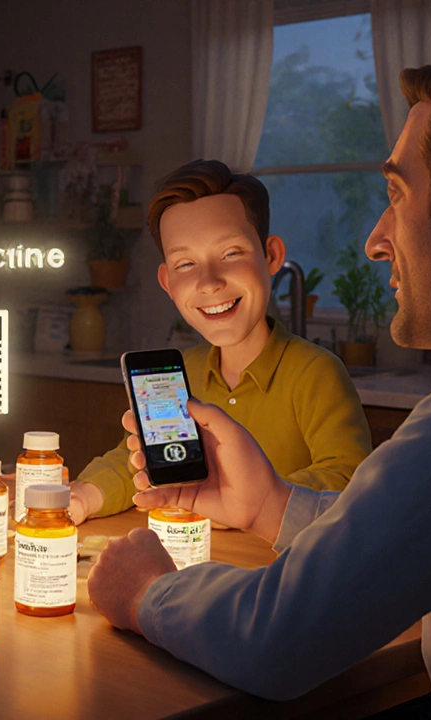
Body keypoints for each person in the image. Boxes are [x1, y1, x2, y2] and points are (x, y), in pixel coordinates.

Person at [86, 61, 431, 718]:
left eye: (396, 195)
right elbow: (404, 536)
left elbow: (276, 639)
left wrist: (147, 592)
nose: (375, 240)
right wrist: (270, 503)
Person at [69, 160, 372, 524]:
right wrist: (84, 496)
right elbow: (134, 464)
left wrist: (244, 500)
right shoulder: (181, 372)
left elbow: (346, 479)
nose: (209, 282)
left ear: (271, 255)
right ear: (167, 283)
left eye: (231, 254)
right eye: (185, 265)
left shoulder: (314, 373)